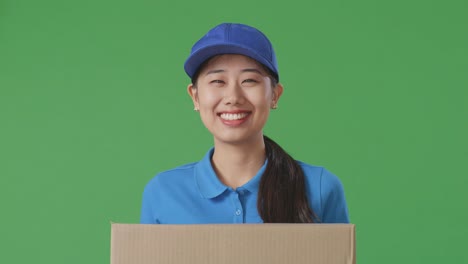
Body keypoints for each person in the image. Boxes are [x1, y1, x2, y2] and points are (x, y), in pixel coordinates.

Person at [140, 23, 349, 224]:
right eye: (218, 81)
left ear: (275, 95)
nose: (233, 97)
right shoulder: (163, 193)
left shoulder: (320, 188)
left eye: (249, 80)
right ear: (195, 97)